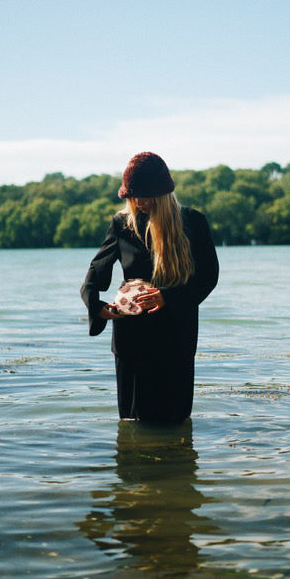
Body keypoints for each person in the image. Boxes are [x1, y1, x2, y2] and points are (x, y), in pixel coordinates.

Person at [80, 152, 219, 423]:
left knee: (175, 423)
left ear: (162, 194)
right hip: (131, 339)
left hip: (176, 336)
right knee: (131, 425)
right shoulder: (122, 225)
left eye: (145, 196)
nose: (139, 202)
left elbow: (208, 277)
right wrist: (96, 305)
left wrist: (167, 297)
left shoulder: (193, 222)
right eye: (133, 196)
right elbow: (96, 271)